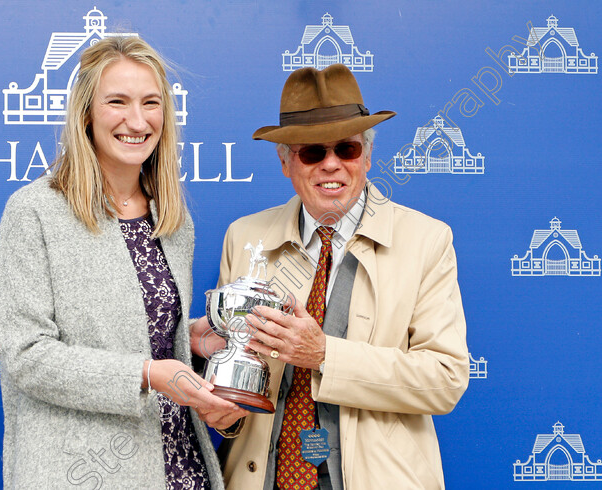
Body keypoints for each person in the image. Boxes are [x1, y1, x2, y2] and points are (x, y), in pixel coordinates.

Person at [191, 64, 470, 489]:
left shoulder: (427, 241)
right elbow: (240, 380)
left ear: (369, 155)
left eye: (347, 149)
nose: (332, 165)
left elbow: (445, 379)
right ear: (286, 161)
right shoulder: (245, 237)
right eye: (312, 152)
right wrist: (224, 409)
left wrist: (323, 355)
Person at [0, 36, 244, 489]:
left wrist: (188, 340)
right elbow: (26, 356)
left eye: (151, 103)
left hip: (180, 467)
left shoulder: (172, 218)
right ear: (86, 112)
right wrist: (147, 374)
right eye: (117, 102)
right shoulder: (34, 212)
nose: (136, 120)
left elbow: (136, 334)